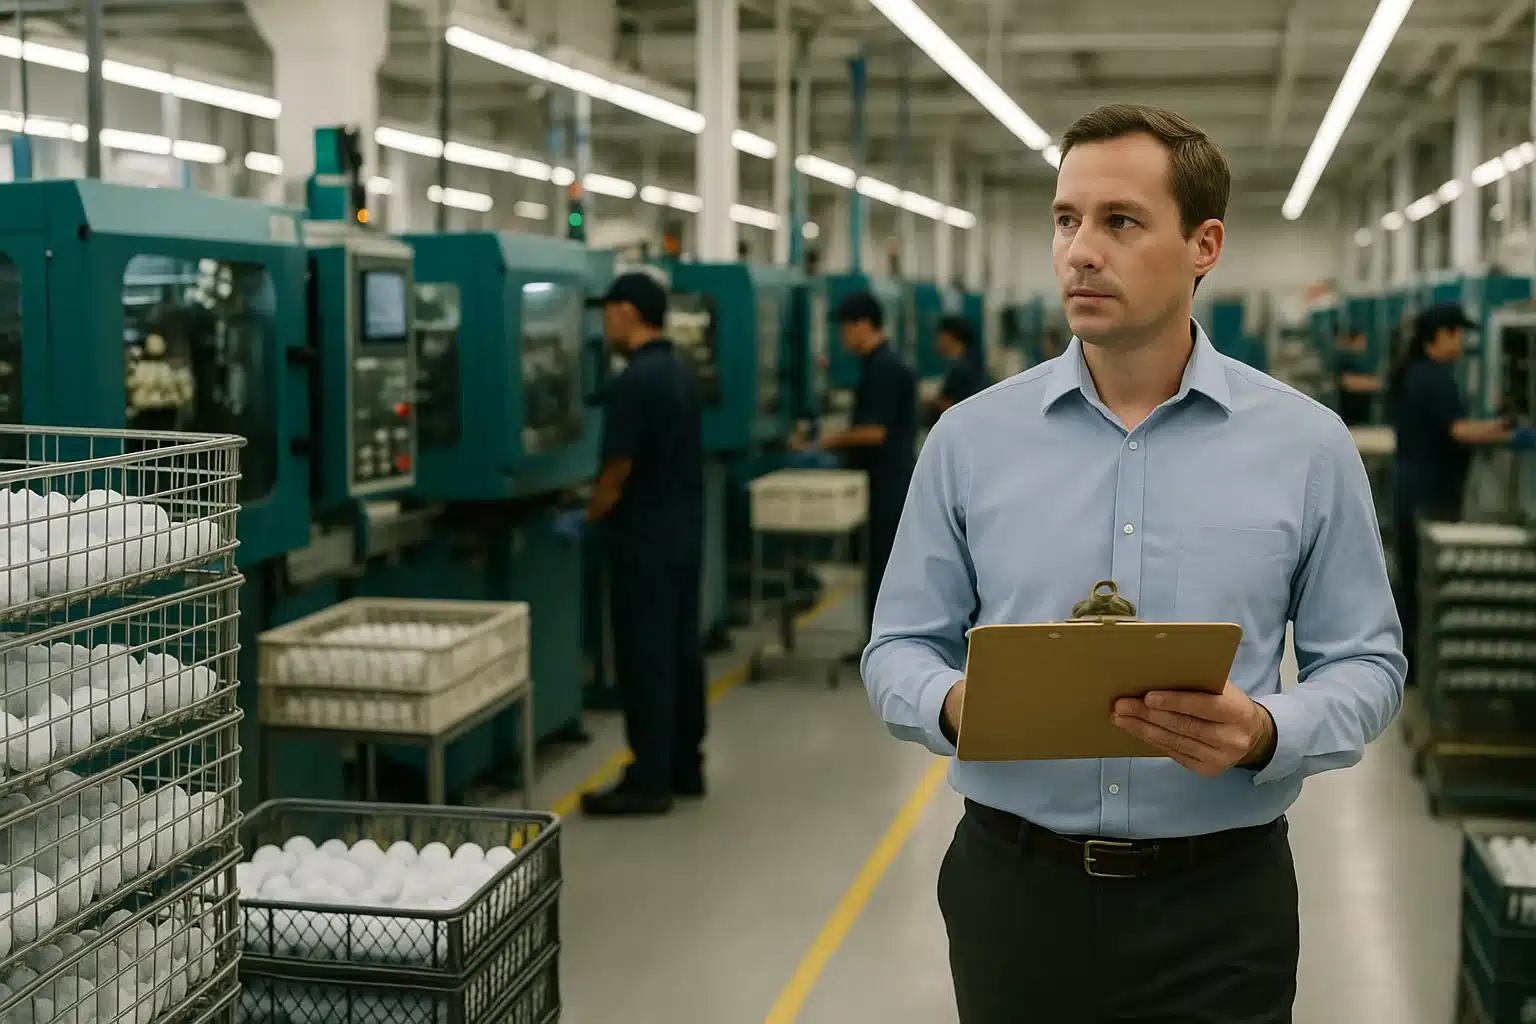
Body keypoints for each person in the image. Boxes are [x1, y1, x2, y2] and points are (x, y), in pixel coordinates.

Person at [862, 103, 1406, 1023]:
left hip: (1220, 910)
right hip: (1016, 897)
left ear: (1205, 244)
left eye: (1120, 221)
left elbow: (1368, 661)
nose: (1080, 250)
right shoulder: (969, 441)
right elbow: (896, 648)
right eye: (1066, 220)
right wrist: (963, 705)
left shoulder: (1307, 447)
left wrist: (1268, 731)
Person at [579, 271, 707, 817]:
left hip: (643, 541)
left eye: (608, 311)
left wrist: (590, 513)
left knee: (644, 656)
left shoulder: (633, 381)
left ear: (627, 313)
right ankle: (684, 765)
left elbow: (618, 468)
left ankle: (648, 779)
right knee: (680, 650)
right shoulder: (678, 372)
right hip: (681, 533)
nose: (604, 322)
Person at [1388, 303, 1525, 683]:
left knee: (1414, 577)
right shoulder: (1433, 378)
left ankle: (1410, 663)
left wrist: (1496, 426)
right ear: (1440, 335)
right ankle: (1415, 668)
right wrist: (1512, 434)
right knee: (1424, 580)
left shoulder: (1418, 373)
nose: (1462, 342)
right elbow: (1459, 431)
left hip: (1416, 487)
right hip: (1429, 492)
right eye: (1457, 333)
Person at [794, 290, 917, 657]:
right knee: (880, 567)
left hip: (887, 483)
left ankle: (884, 649)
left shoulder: (883, 368)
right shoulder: (882, 364)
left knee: (884, 569)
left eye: (846, 328)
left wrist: (821, 443)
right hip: (886, 479)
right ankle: (881, 644)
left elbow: (873, 432)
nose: (843, 337)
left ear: (864, 325)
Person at [924, 315, 990, 424]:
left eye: (939, 335)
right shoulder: (972, 363)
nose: (936, 340)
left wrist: (931, 403)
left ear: (949, 336)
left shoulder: (961, 369)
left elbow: (953, 407)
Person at [1335, 328, 1382, 426]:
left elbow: (1376, 383)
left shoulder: (1365, 362)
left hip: (1364, 412)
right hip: (1349, 414)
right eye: (1360, 340)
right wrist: (1368, 383)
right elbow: (1348, 383)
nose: (1363, 344)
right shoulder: (1345, 359)